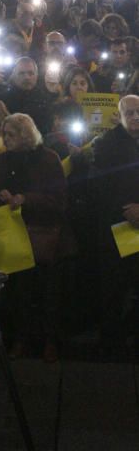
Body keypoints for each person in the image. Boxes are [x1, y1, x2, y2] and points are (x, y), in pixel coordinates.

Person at [0, 113, 69, 362]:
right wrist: (2, 195)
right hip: (15, 235)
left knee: (50, 293)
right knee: (20, 293)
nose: (6, 139)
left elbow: (59, 200)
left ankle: (50, 341)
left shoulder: (48, 159)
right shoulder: (3, 160)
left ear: (25, 135)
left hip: (44, 234)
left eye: (11, 134)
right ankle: (21, 339)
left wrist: (27, 199)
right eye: (4, 134)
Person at [92, 94, 139, 356]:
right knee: (113, 286)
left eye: (138, 112)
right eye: (129, 113)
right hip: (116, 225)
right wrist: (129, 210)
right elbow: (101, 185)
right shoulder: (107, 144)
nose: (135, 117)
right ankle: (110, 341)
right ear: (119, 115)